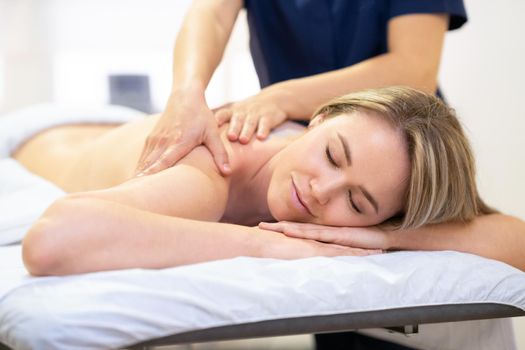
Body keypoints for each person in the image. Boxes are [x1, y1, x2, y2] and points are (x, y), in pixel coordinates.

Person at [15, 87, 525, 278]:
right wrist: (269, 246)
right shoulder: (217, 165)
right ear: (318, 118)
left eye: (357, 201)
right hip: (31, 135)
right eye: (332, 155)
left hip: (115, 125)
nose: (322, 191)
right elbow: (53, 239)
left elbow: (515, 238)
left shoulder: (374, 213)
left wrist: (388, 238)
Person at [135, 0, 467, 179]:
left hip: (401, 151)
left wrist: (282, 98)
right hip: (289, 136)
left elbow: (414, 70)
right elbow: (212, 13)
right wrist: (186, 93)